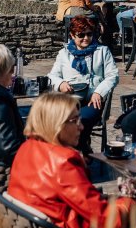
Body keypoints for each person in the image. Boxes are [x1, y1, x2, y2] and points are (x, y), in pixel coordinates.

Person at [8, 93, 135, 228]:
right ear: (56, 124)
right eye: (74, 120)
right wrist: (132, 203)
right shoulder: (63, 161)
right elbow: (104, 218)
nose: (81, 127)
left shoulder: (27, 148)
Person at [48, 16, 118, 154]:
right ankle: (67, 152)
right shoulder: (64, 54)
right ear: (72, 35)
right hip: (71, 100)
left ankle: (80, 152)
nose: (86, 38)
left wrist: (99, 92)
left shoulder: (102, 51)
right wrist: (61, 83)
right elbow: (52, 76)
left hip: (94, 100)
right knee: (57, 122)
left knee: (81, 121)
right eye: (81, 35)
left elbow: (113, 76)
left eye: (89, 34)